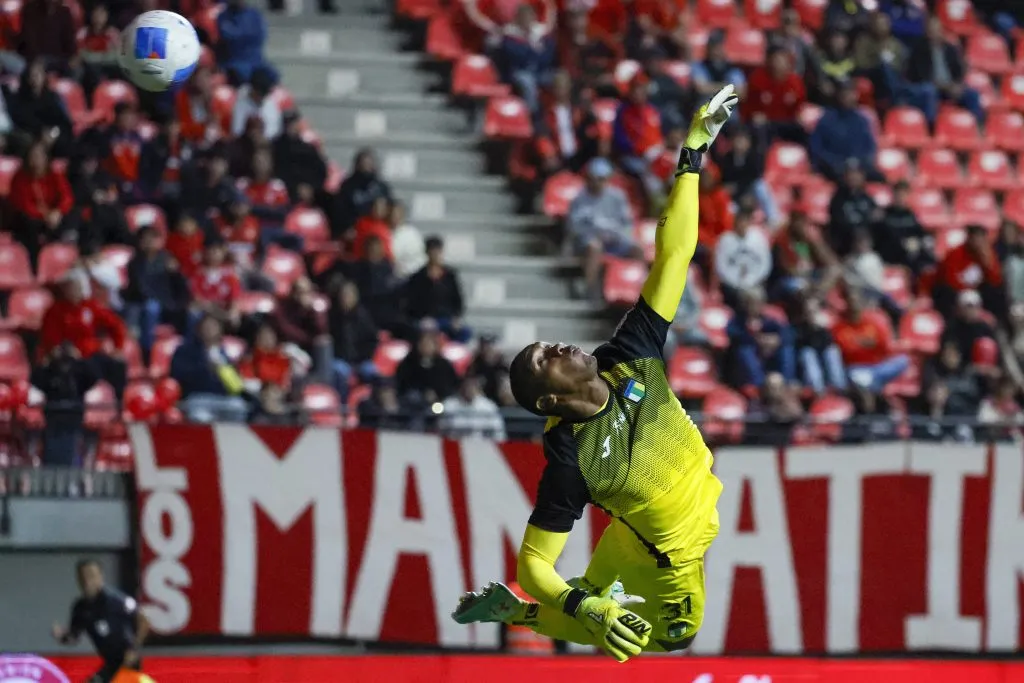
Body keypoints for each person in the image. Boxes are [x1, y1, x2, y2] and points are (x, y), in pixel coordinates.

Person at [453, 85, 738, 662]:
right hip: (667, 555)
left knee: (602, 610)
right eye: (542, 359)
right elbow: (533, 562)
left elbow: (675, 255)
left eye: (547, 345)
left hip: (634, 536)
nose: (556, 346)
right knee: (665, 638)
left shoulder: (630, 351)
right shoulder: (569, 459)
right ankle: (535, 613)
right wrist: (584, 608)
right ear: (549, 400)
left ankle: (531, 614)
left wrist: (692, 156)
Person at [51, 559, 150, 683]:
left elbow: (143, 620)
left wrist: (133, 648)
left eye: (91, 575)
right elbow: (74, 637)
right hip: (110, 663)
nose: (87, 581)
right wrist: (62, 637)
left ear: (100, 577)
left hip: (128, 662)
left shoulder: (116, 600)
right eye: (83, 576)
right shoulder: (80, 608)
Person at [40, 276, 128, 398]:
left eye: (78, 288)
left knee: (117, 365)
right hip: (71, 355)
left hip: (92, 353)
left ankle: (119, 404)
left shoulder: (90, 307)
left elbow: (115, 324)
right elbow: (51, 338)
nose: (76, 291)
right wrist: (63, 350)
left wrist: (118, 347)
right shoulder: (55, 311)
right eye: (72, 288)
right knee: (84, 370)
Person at [566, 157, 639, 298]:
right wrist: (595, 233)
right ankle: (590, 287)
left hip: (614, 239)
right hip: (588, 240)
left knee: (637, 249)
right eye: (595, 178)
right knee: (594, 246)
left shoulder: (618, 196)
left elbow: (627, 223)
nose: (598, 182)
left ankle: (637, 288)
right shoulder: (579, 198)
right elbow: (573, 227)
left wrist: (618, 235)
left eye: (602, 178)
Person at [124, 226, 190, 357]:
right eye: (145, 239)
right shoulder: (135, 263)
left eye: (152, 238)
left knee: (152, 308)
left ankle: (148, 351)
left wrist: (175, 273)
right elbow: (135, 288)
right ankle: (141, 352)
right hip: (140, 301)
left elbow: (180, 286)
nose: (149, 242)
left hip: (166, 304)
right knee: (142, 308)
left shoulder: (167, 260)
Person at [170, 313, 249, 422]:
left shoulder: (223, 353)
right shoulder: (185, 350)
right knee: (201, 418)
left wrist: (223, 370)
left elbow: (235, 384)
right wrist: (204, 367)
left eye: (213, 326)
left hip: (222, 399)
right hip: (196, 397)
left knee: (239, 407)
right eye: (206, 326)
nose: (210, 330)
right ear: (199, 329)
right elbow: (177, 375)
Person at [8, 140, 74, 265]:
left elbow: (67, 197)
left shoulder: (55, 175)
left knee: (75, 215)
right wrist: (46, 216)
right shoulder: (20, 178)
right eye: (33, 156)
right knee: (28, 223)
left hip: (53, 216)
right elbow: (24, 205)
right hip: (31, 219)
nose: (36, 160)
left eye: (39, 156)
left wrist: (58, 212)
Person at [907, 15, 984, 123]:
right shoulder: (919, 49)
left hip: (950, 87)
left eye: (937, 30)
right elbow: (922, 76)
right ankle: (931, 128)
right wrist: (945, 86)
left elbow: (959, 71)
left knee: (972, 94)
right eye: (931, 30)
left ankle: (976, 127)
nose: (934, 33)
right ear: (926, 31)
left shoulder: (950, 48)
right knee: (929, 91)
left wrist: (958, 85)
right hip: (932, 87)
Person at [402, 236, 472, 343]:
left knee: (465, 332)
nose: (435, 254)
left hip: (446, 319)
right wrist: (422, 318)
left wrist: (456, 317)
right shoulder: (417, 277)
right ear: (426, 253)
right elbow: (411, 304)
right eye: (432, 251)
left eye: (437, 251)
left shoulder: (450, 275)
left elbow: (458, 300)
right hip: (424, 319)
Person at [810, 82, 881, 182]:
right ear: (838, 96)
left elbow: (870, 147)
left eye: (850, 93)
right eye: (844, 94)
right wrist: (840, 165)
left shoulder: (862, 120)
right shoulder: (826, 119)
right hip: (835, 169)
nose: (847, 97)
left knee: (881, 179)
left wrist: (859, 164)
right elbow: (817, 149)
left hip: (860, 169)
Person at [5, 58, 73, 157]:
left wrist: (53, 134)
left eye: (38, 75)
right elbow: (20, 121)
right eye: (32, 75)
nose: (35, 79)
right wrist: (41, 134)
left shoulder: (52, 97)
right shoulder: (18, 98)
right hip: (29, 135)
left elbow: (63, 122)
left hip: (51, 135)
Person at [329, 280, 380, 399]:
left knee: (371, 371)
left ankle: (372, 406)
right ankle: (342, 406)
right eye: (343, 296)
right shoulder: (333, 317)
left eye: (349, 295)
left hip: (361, 360)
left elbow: (372, 340)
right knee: (338, 371)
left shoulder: (363, 317)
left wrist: (362, 357)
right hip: (341, 360)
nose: (346, 299)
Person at [714, 209, 772, 309]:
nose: (742, 225)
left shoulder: (758, 238)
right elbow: (720, 268)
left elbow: (766, 264)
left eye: (744, 221)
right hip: (732, 286)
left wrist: (752, 280)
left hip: (755, 283)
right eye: (739, 222)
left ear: (749, 222)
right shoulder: (725, 240)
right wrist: (736, 283)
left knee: (757, 295)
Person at [216, 0, 275, 85]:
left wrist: (240, 35)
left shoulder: (255, 15)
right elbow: (229, 38)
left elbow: (260, 37)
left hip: (256, 61)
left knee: (272, 75)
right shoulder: (223, 16)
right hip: (234, 62)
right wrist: (245, 35)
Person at [440, 375, 507, 440]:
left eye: (473, 385)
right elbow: (441, 430)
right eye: (467, 385)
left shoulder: (488, 406)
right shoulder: (449, 405)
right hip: (455, 444)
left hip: (479, 445)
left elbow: (498, 432)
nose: (469, 389)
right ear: (462, 386)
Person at [230, 66, 282, 139]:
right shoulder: (240, 101)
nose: (261, 97)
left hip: (266, 145)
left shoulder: (271, 103)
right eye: (259, 93)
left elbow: (274, 132)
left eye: (264, 94)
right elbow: (237, 131)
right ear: (253, 89)